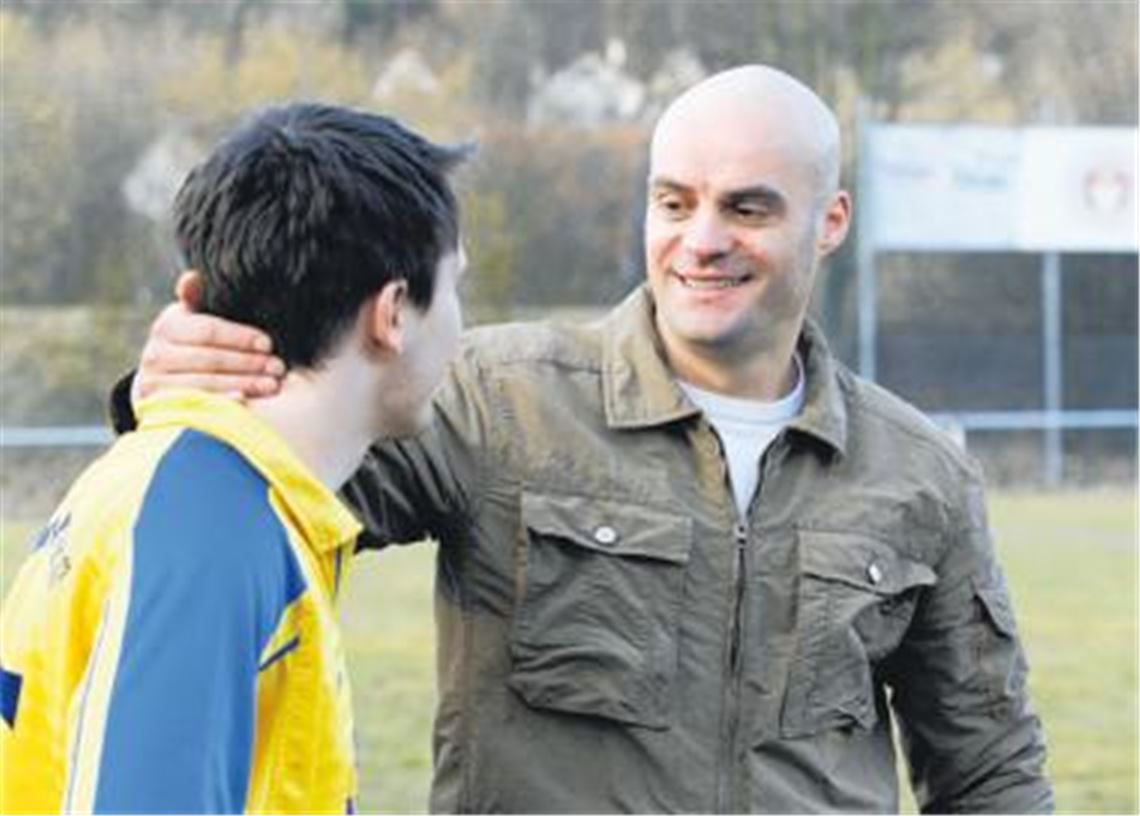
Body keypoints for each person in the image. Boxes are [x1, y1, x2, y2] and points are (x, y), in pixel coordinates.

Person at [115, 66, 1053, 812]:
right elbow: (263, 481)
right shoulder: (493, 400)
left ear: (830, 221)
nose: (702, 240)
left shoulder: (921, 474)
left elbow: (989, 771)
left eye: (747, 208)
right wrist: (178, 387)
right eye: (674, 203)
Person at [1, 103, 470, 813]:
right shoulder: (215, 537)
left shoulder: (191, 486)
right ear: (394, 311)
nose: (462, 326)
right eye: (456, 287)